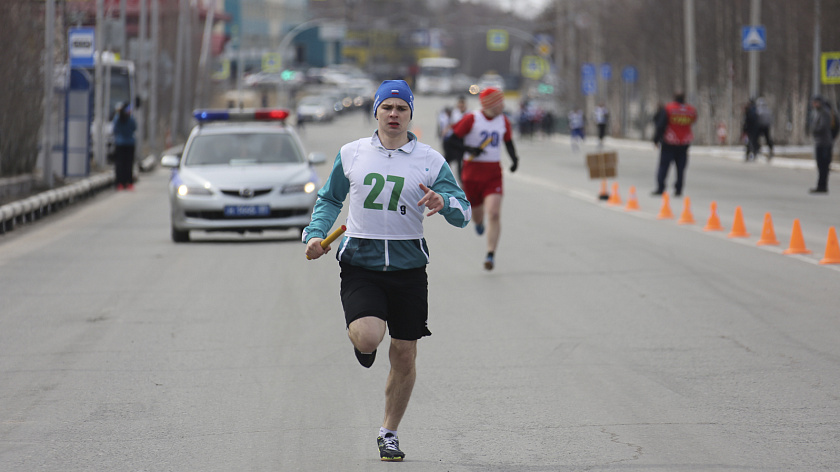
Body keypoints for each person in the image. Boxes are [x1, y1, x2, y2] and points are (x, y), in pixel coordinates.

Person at [303, 80, 471, 462]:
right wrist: (315, 235)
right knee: (367, 338)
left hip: (409, 267)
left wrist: (443, 201)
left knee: (405, 354)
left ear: (411, 114)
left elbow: (464, 213)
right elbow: (330, 198)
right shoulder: (352, 154)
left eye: (401, 109)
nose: (394, 115)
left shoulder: (430, 160)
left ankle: (388, 432)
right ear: (375, 112)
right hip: (361, 262)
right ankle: (363, 340)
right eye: (387, 108)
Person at [444, 87, 520, 271]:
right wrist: (470, 150)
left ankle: (490, 254)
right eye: (499, 102)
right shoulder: (472, 119)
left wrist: (514, 159)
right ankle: (478, 223)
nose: (503, 105)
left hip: (493, 174)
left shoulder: (503, 121)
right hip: (471, 175)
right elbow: (451, 140)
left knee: (494, 213)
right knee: (477, 215)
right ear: (491, 105)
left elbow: (508, 142)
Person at [652, 92, 697, 197]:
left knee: (664, 166)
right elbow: (694, 120)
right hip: (684, 143)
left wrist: (656, 139)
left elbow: (661, 125)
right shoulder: (690, 110)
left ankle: (661, 187)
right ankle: (678, 189)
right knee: (681, 168)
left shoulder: (669, 109)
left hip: (669, 142)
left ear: (674, 98)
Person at [809, 95, 835, 194]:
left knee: (824, 165)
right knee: (820, 166)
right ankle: (820, 185)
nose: (814, 104)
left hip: (824, 143)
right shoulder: (818, 112)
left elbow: (823, 126)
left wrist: (814, 130)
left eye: (815, 102)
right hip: (820, 142)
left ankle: (823, 186)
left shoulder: (824, 113)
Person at [112, 102, 137, 190]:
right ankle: (129, 183)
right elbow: (134, 128)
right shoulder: (131, 119)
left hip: (119, 143)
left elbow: (114, 129)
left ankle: (120, 183)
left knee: (120, 164)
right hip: (130, 144)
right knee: (129, 164)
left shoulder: (117, 118)